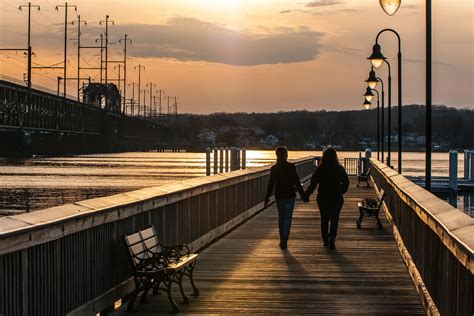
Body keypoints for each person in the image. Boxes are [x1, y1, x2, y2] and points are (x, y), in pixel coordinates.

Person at [304, 148, 349, 250]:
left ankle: (325, 240)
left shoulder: (320, 169)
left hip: (323, 198)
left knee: (324, 219)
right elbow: (346, 181)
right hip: (336, 198)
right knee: (334, 219)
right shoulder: (339, 168)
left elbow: (313, 184)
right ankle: (332, 238)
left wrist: (306, 194)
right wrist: (341, 191)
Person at [264, 146, 305, 250]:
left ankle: (282, 237)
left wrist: (267, 197)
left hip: (279, 195)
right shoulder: (291, 166)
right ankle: (285, 238)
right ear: (286, 155)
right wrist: (303, 194)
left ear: (276, 155)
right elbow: (296, 180)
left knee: (281, 217)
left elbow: (271, 183)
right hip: (290, 195)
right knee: (287, 218)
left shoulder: (274, 168)